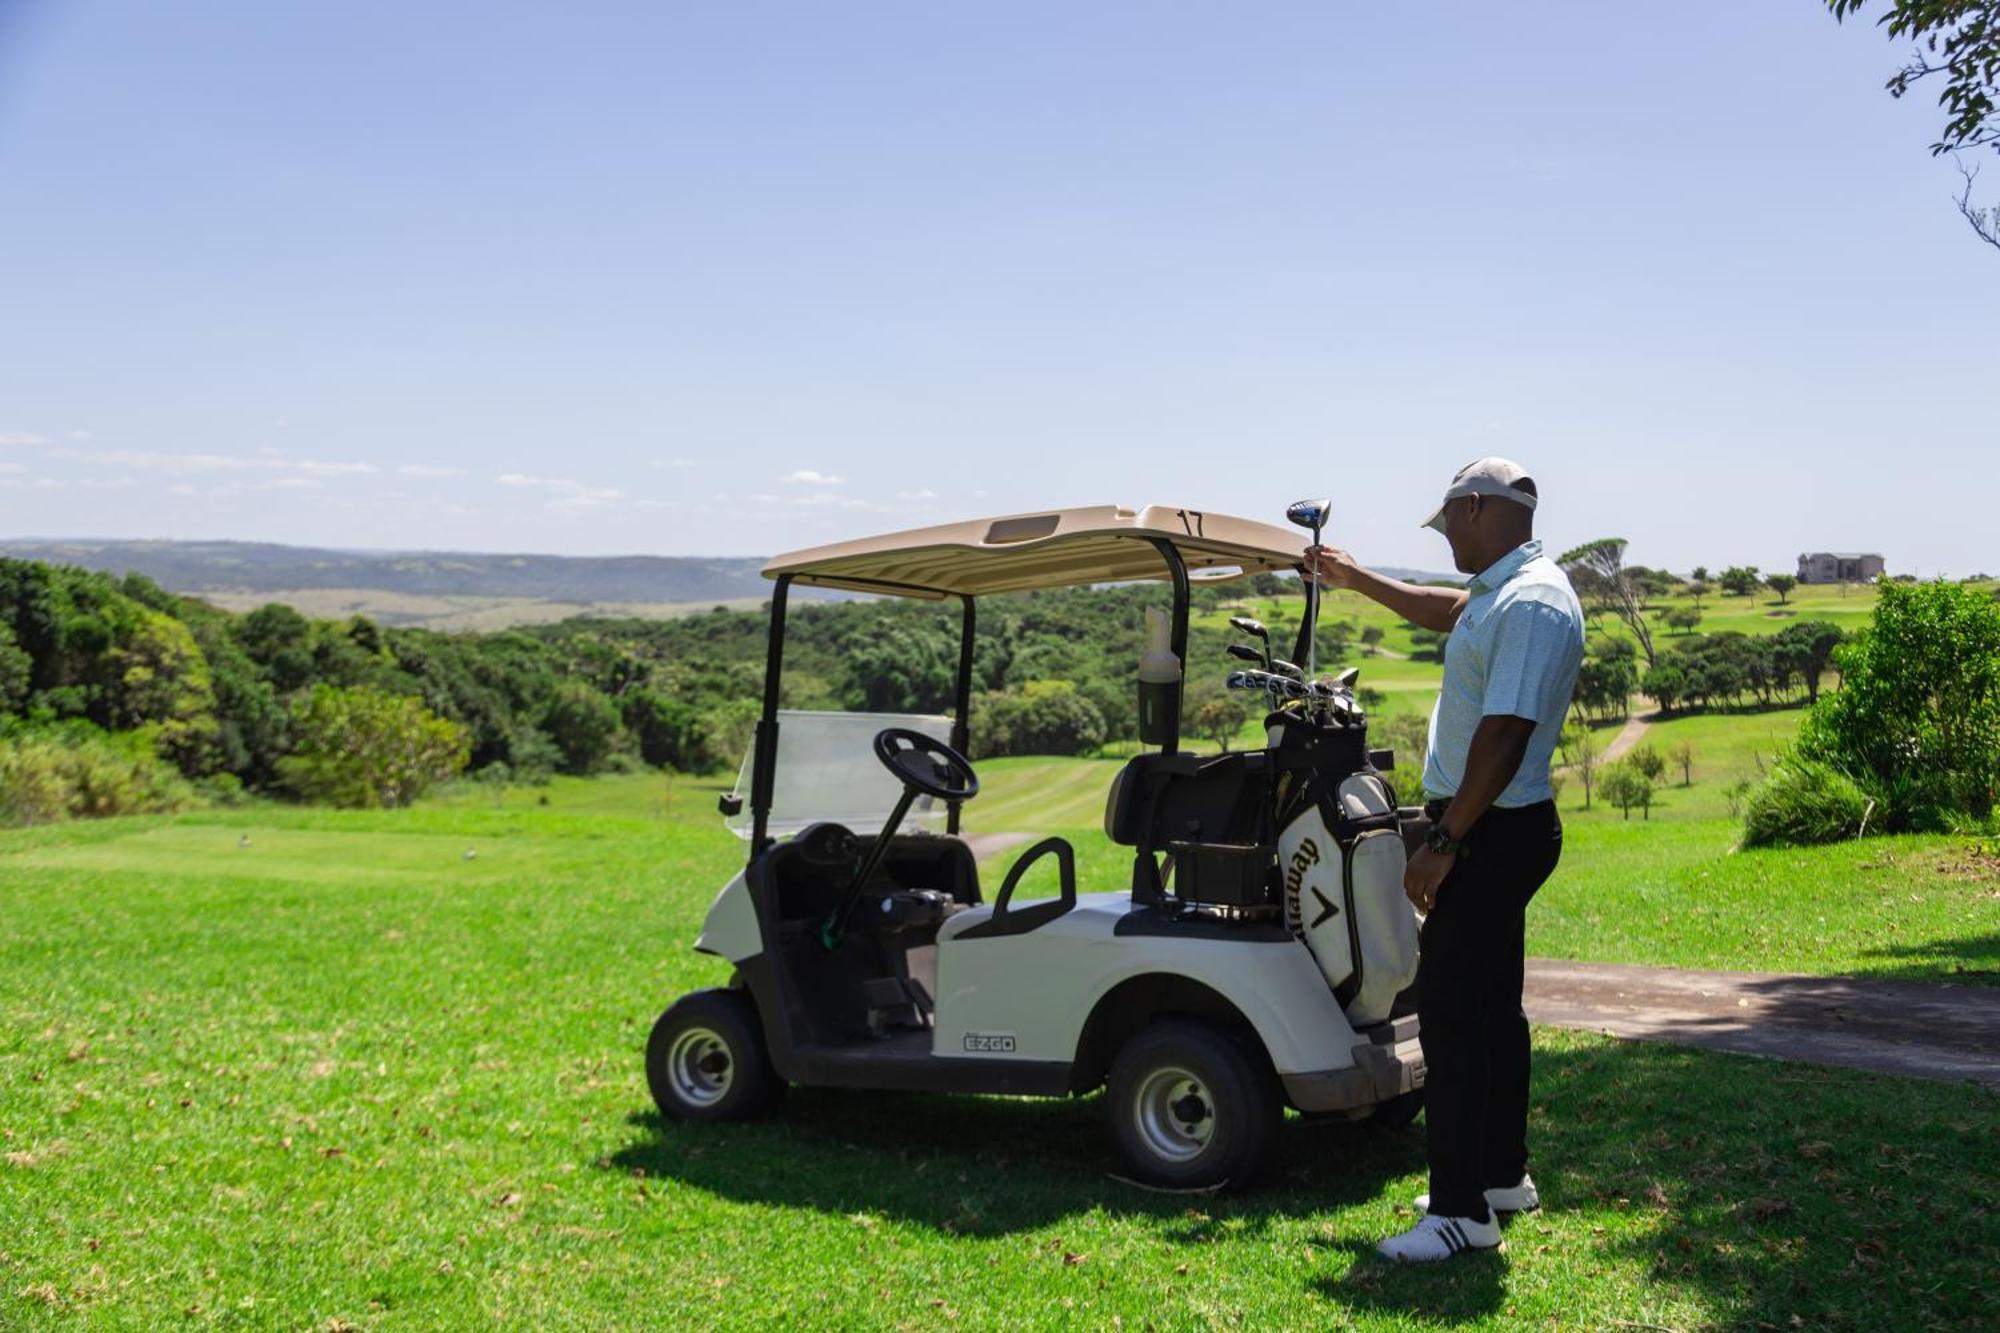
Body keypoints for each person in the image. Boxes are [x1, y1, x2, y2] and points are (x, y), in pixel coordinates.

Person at [1304, 457, 1583, 1264]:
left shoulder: (1529, 602)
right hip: (1498, 828)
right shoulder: (1508, 590)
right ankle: (1500, 1175)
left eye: (1447, 523)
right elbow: (1449, 609)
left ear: (1475, 509)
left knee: (1456, 1022)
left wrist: (1445, 840)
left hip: (1488, 831)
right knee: (1495, 1009)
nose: (1446, 538)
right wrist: (1359, 578)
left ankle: (1461, 1212)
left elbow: (1506, 734)